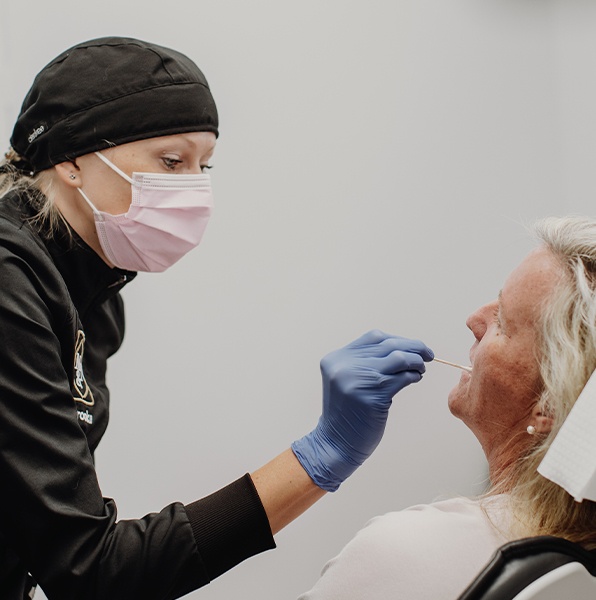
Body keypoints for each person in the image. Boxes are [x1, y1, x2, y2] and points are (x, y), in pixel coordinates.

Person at [0, 37, 435, 599]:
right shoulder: (11, 286)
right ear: (72, 160)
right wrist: (319, 454)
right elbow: (90, 568)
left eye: (204, 164)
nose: (194, 189)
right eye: (171, 161)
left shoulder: (92, 291)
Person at [297, 215, 596, 600]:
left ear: (549, 405)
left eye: (503, 321)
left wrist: (320, 453)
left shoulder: (407, 554)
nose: (474, 320)